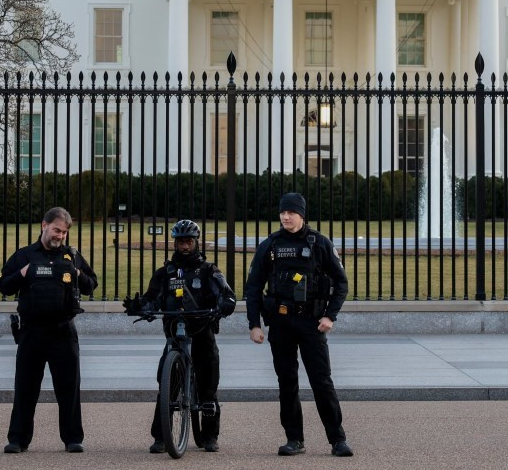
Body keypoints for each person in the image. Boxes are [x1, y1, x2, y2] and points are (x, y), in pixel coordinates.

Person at [244, 191, 353, 457]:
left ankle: (337, 440)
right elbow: (254, 286)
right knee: (287, 382)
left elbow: (341, 282)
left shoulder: (320, 243)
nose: (286, 217)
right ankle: (294, 439)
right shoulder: (270, 245)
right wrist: (254, 324)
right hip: (280, 323)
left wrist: (330, 316)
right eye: (283, 212)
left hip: (311, 324)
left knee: (321, 382)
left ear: (301, 215)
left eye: (291, 212)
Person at [124, 219, 236, 454]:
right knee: (166, 383)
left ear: (196, 243)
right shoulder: (165, 273)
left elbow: (225, 293)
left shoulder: (209, 270)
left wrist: (226, 303)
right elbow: (152, 298)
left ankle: (210, 435)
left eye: (189, 242)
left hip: (202, 330)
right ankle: (161, 437)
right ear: (174, 244)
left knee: (208, 384)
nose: (185, 246)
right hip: (175, 333)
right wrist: (139, 306)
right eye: (181, 242)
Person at [0, 207, 98, 454]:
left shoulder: (71, 256)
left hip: (63, 331)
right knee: (25, 388)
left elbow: (91, 285)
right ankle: (18, 439)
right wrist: (22, 273)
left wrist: (77, 273)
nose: (60, 236)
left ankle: (72, 438)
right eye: (56, 230)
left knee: (69, 388)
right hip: (32, 331)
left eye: (64, 232)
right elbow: (4, 286)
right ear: (44, 225)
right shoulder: (24, 255)